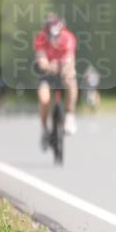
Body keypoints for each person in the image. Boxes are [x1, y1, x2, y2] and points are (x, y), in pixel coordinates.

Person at [34, 13, 79, 146]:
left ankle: (70, 116)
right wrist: (48, 65)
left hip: (63, 69)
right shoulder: (40, 38)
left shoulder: (68, 37)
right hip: (47, 73)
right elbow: (41, 59)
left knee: (71, 80)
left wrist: (65, 68)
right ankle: (44, 128)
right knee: (44, 99)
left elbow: (70, 57)